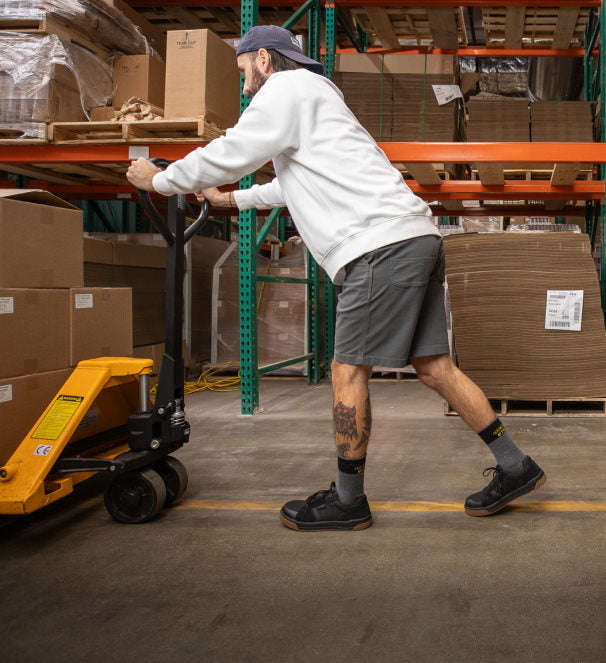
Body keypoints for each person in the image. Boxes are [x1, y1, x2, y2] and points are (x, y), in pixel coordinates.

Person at [126, 24, 546, 531]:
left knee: (347, 371)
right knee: (435, 366)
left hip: (379, 248)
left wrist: (163, 181)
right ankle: (516, 466)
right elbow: (289, 186)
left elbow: (237, 150)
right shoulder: (316, 100)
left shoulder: (286, 89)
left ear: (263, 59)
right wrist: (230, 199)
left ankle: (348, 501)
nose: (243, 87)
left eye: (242, 72)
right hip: (414, 237)